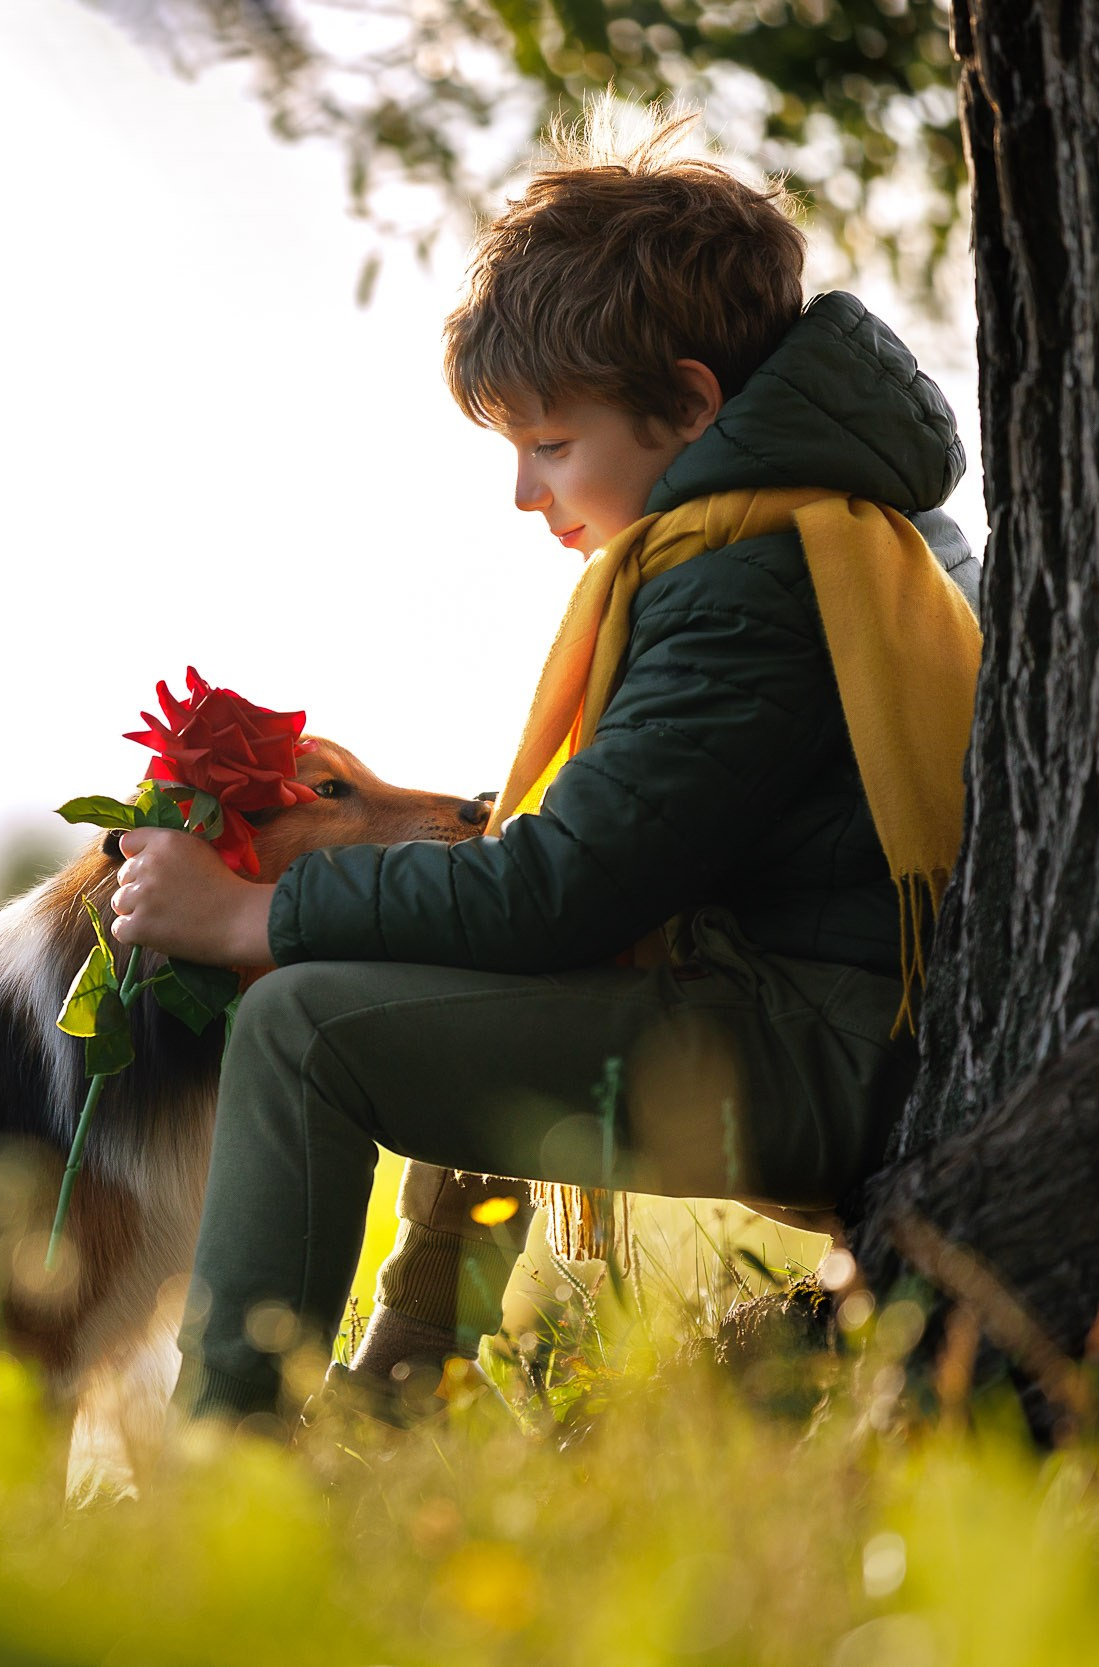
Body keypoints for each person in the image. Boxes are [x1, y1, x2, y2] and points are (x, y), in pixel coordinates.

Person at [107, 116, 983, 1423]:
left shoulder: (751, 576)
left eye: (553, 445)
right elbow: (605, 859)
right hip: (834, 1016)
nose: (527, 493)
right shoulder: (824, 521)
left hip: (832, 1052)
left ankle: (232, 1460)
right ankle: (401, 1389)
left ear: (689, 405)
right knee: (430, 968)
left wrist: (254, 915)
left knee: (302, 1026)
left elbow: (561, 896)